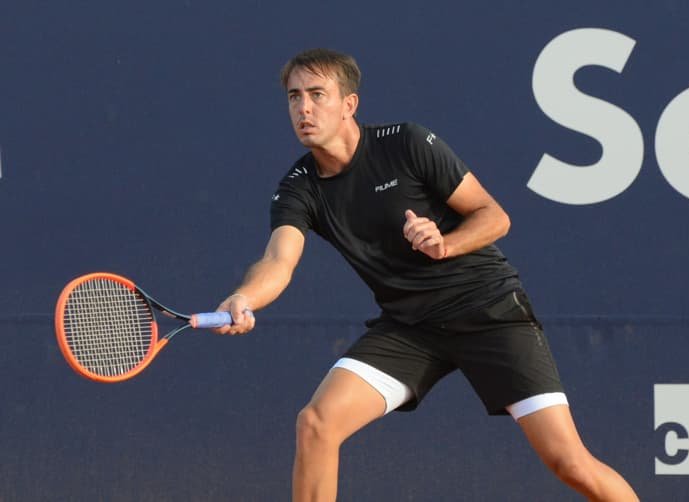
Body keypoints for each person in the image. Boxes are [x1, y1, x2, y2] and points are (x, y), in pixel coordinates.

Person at [214, 48, 639, 502]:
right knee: (316, 424)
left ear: (349, 104)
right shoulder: (298, 187)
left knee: (569, 463)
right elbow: (278, 260)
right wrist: (245, 297)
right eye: (295, 96)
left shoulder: (407, 143)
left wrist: (445, 244)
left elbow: (494, 215)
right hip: (411, 328)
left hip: (487, 309)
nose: (304, 108)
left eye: (318, 94)